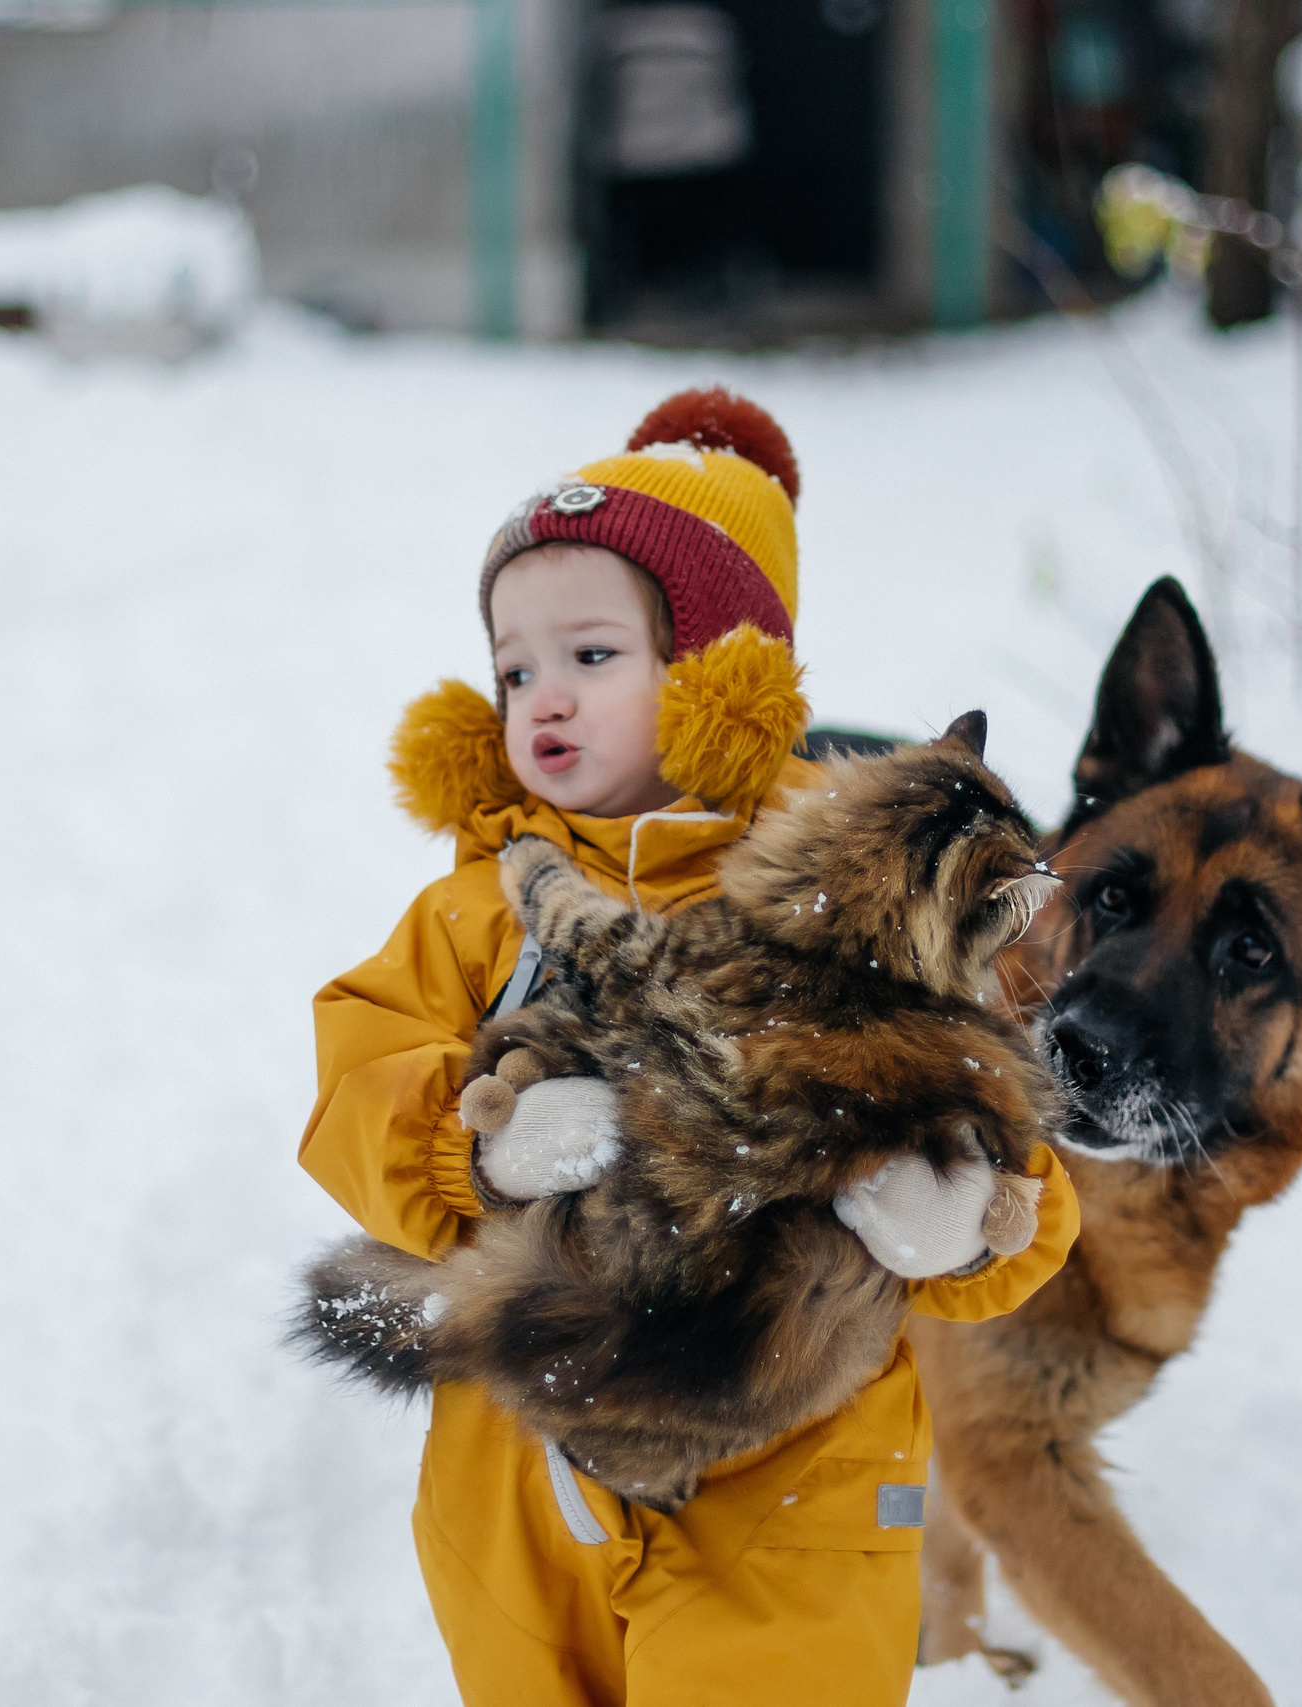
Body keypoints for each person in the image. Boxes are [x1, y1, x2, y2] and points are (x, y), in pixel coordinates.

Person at [298, 387, 1080, 1706]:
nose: (543, 699)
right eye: (513, 669)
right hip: (522, 1476)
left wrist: (974, 1222)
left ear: (718, 669)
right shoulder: (481, 906)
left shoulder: (860, 902)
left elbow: (997, 1132)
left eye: (591, 656)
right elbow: (353, 1083)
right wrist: (472, 1145)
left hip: (792, 1488)